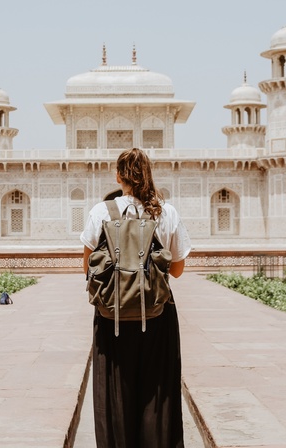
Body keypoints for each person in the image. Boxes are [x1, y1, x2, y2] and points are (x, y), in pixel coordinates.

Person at [80, 147, 191, 448]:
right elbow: (178, 270)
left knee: (115, 393)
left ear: (118, 176)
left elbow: (87, 267)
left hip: (111, 316)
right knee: (157, 393)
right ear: (149, 175)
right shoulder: (166, 213)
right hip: (157, 314)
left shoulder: (101, 211)